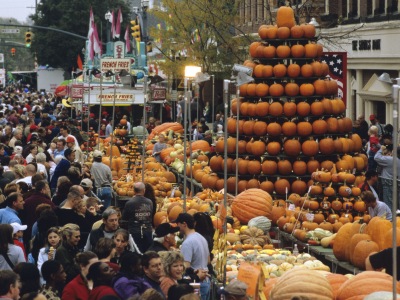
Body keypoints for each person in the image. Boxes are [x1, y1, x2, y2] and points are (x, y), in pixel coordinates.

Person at [174, 213, 210, 300]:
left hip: (197, 283)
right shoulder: (201, 237)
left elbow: (186, 266)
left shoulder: (188, 242)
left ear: (184, 224)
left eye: (178, 224)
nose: (177, 227)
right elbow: (208, 260)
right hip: (206, 281)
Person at [121, 182, 153, 253]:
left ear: (134, 191)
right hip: (147, 230)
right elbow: (151, 216)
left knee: (136, 252)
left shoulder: (129, 203)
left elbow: (124, 219)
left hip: (134, 231)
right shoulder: (149, 202)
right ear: (144, 190)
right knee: (147, 253)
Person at [374, 145, 400, 210]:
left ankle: (390, 218)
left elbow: (376, 157)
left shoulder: (392, 160)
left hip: (388, 182)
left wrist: (381, 150)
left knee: (388, 202)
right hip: (397, 182)